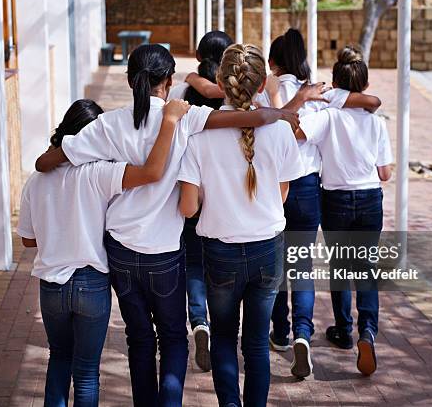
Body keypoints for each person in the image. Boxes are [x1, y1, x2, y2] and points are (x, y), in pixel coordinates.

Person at [33, 44, 299, 407]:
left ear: (130, 80)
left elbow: (49, 160)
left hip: (121, 250)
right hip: (167, 253)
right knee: (174, 338)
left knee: (139, 338)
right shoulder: (186, 119)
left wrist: (46, 162)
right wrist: (278, 114)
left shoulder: (107, 125)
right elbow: (236, 119)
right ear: (170, 80)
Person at [17, 97, 191, 407]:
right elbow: (151, 173)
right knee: (86, 371)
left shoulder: (35, 181)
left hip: (51, 286)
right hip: (92, 282)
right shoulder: (100, 173)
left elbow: (28, 241)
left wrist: (56, 232)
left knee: (58, 357)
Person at [178, 43, 304, 407]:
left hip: (220, 253)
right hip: (268, 250)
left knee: (222, 339)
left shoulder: (198, 136)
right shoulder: (280, 131)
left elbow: (188, 208)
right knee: (255, 344)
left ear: (219, 79)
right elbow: (280, 197)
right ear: (263, 82)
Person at [263, 28, 382, 379]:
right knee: (301, 265)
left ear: (273, 62)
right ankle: (305, 331)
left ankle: (281, 333)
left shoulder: (267, 89)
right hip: (308, 189)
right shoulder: (318, 94)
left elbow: (281, 127)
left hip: (275, 186)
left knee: (274, 265)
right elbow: (370, 102)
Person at [296, 46, 393, 376]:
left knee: (340, 266)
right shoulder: (376, 122)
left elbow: (299, 132)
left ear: (336, 85)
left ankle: (343, 331)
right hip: (369, 198)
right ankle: (368, 330)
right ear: (364, 86)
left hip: (334, 199)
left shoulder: (327, 117)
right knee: (365, 267)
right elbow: (385, 173)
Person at [168, 30, 234, 372]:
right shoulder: (233, 97)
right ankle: (222, 327)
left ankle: (199, 322)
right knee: (221, 264)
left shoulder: (181, 92)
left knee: (193, 262)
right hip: (225, 192)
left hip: (190, 186)